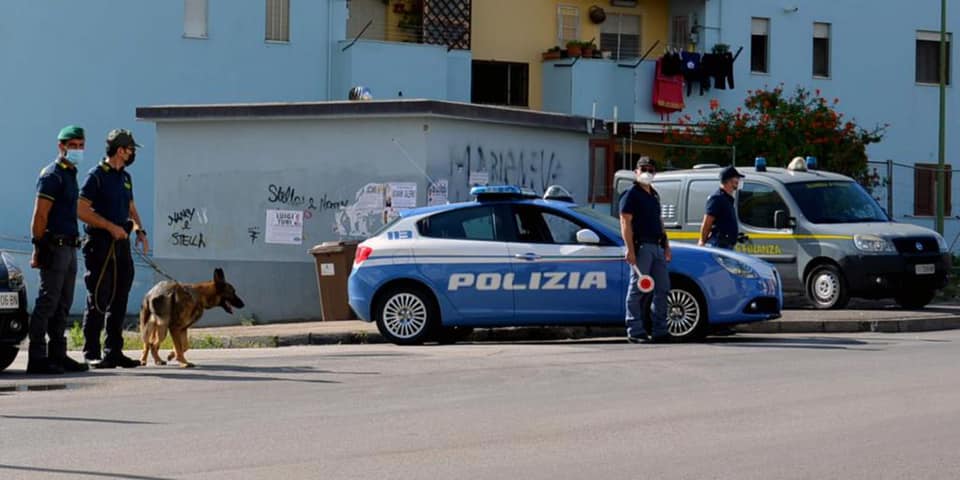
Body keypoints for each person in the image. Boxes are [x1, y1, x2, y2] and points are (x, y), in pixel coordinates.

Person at [78, 129, 149, 369]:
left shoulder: (125, 177)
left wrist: (140, 230)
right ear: (120, 150)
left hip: (121, 245)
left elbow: (130, 206)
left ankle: (114, 351)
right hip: (100, 245)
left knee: (120, 298)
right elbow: (82, 210)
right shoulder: (96, 176)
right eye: (130, 150)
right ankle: (91, 352)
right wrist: (110, 227)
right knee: (99, 296)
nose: (132, 154)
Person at [26, 125, 91, 374]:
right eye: (72, 145)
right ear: (60, 146)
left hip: (71, 246)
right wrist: (38, 247)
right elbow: (40, 215)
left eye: (80, 145)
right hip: (54, 247)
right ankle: (37, 356)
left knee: (64, 302)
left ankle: (58, 354)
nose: (76, 150)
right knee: (48, 301)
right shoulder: (52, 175)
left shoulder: (70, 173)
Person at [619, 157, 672, 343]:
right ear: (636, 171)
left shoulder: (654, 195)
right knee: (638, 289)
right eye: (643, 169)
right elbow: (625, 221)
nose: (647, 172)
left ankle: (660, 330)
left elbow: (659, 222)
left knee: (663, 289)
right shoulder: (631, 194)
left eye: (651, 169)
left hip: (657, 247)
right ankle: (635, 330)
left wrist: (666, 245)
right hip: (641, 246)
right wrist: (630, 249)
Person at [698, 165, 744, 250]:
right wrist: (702, 241)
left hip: (726, 245)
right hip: (719, 245)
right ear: (728, 180)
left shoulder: (727, 198)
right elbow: (707, 222)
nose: (738, 180)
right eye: (736, 178)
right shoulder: (717, 198)